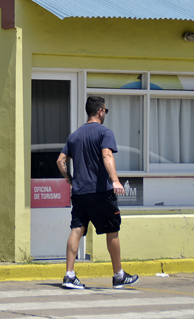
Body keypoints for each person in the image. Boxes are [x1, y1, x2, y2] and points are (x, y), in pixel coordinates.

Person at [56, 96, 138, 289]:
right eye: (105, 111)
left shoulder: (74, 136)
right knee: (112, 230)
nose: (105, 114)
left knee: (77, 229)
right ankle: (118, 275)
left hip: (80, 192)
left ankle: (69, 275)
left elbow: (60, 161)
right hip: (101, 191)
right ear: (100, 111)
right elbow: (107, 154)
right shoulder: (105, 132)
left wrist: (69, 179)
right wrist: (115, 180)